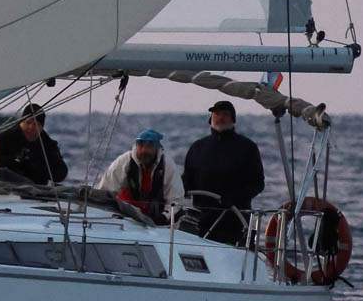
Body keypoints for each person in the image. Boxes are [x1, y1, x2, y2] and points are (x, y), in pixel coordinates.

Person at [181, 100, 265, 245]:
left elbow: (257, 183)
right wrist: (181, 189)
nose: (220, 117)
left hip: (234, 220)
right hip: (200, 221)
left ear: (233, 118)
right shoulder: (197, 147)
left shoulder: (247, 147)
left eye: (225, 114)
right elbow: (187, 178)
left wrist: (234, 198)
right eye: (216, 114)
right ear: (211, 118)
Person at [98, 129, 184, 224]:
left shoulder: (167, 165)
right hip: (126, 217)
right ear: (136, 146)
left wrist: (164, 217)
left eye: (149, 146)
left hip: (156, 220)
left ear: (157, 148)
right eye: (140, 146)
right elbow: (106, 191)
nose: (144, 150)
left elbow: (176, 199)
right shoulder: (123, 162)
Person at [0, 103, 68, 185]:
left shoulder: (47, 143)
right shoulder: (5, 137)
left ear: (41, 128)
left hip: (35, 188)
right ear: (21, 122)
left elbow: (61, 174)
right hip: (6, 185)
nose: (31, 127)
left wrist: (36, 161)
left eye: (36, 124)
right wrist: (17, 160)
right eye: (28, 122)